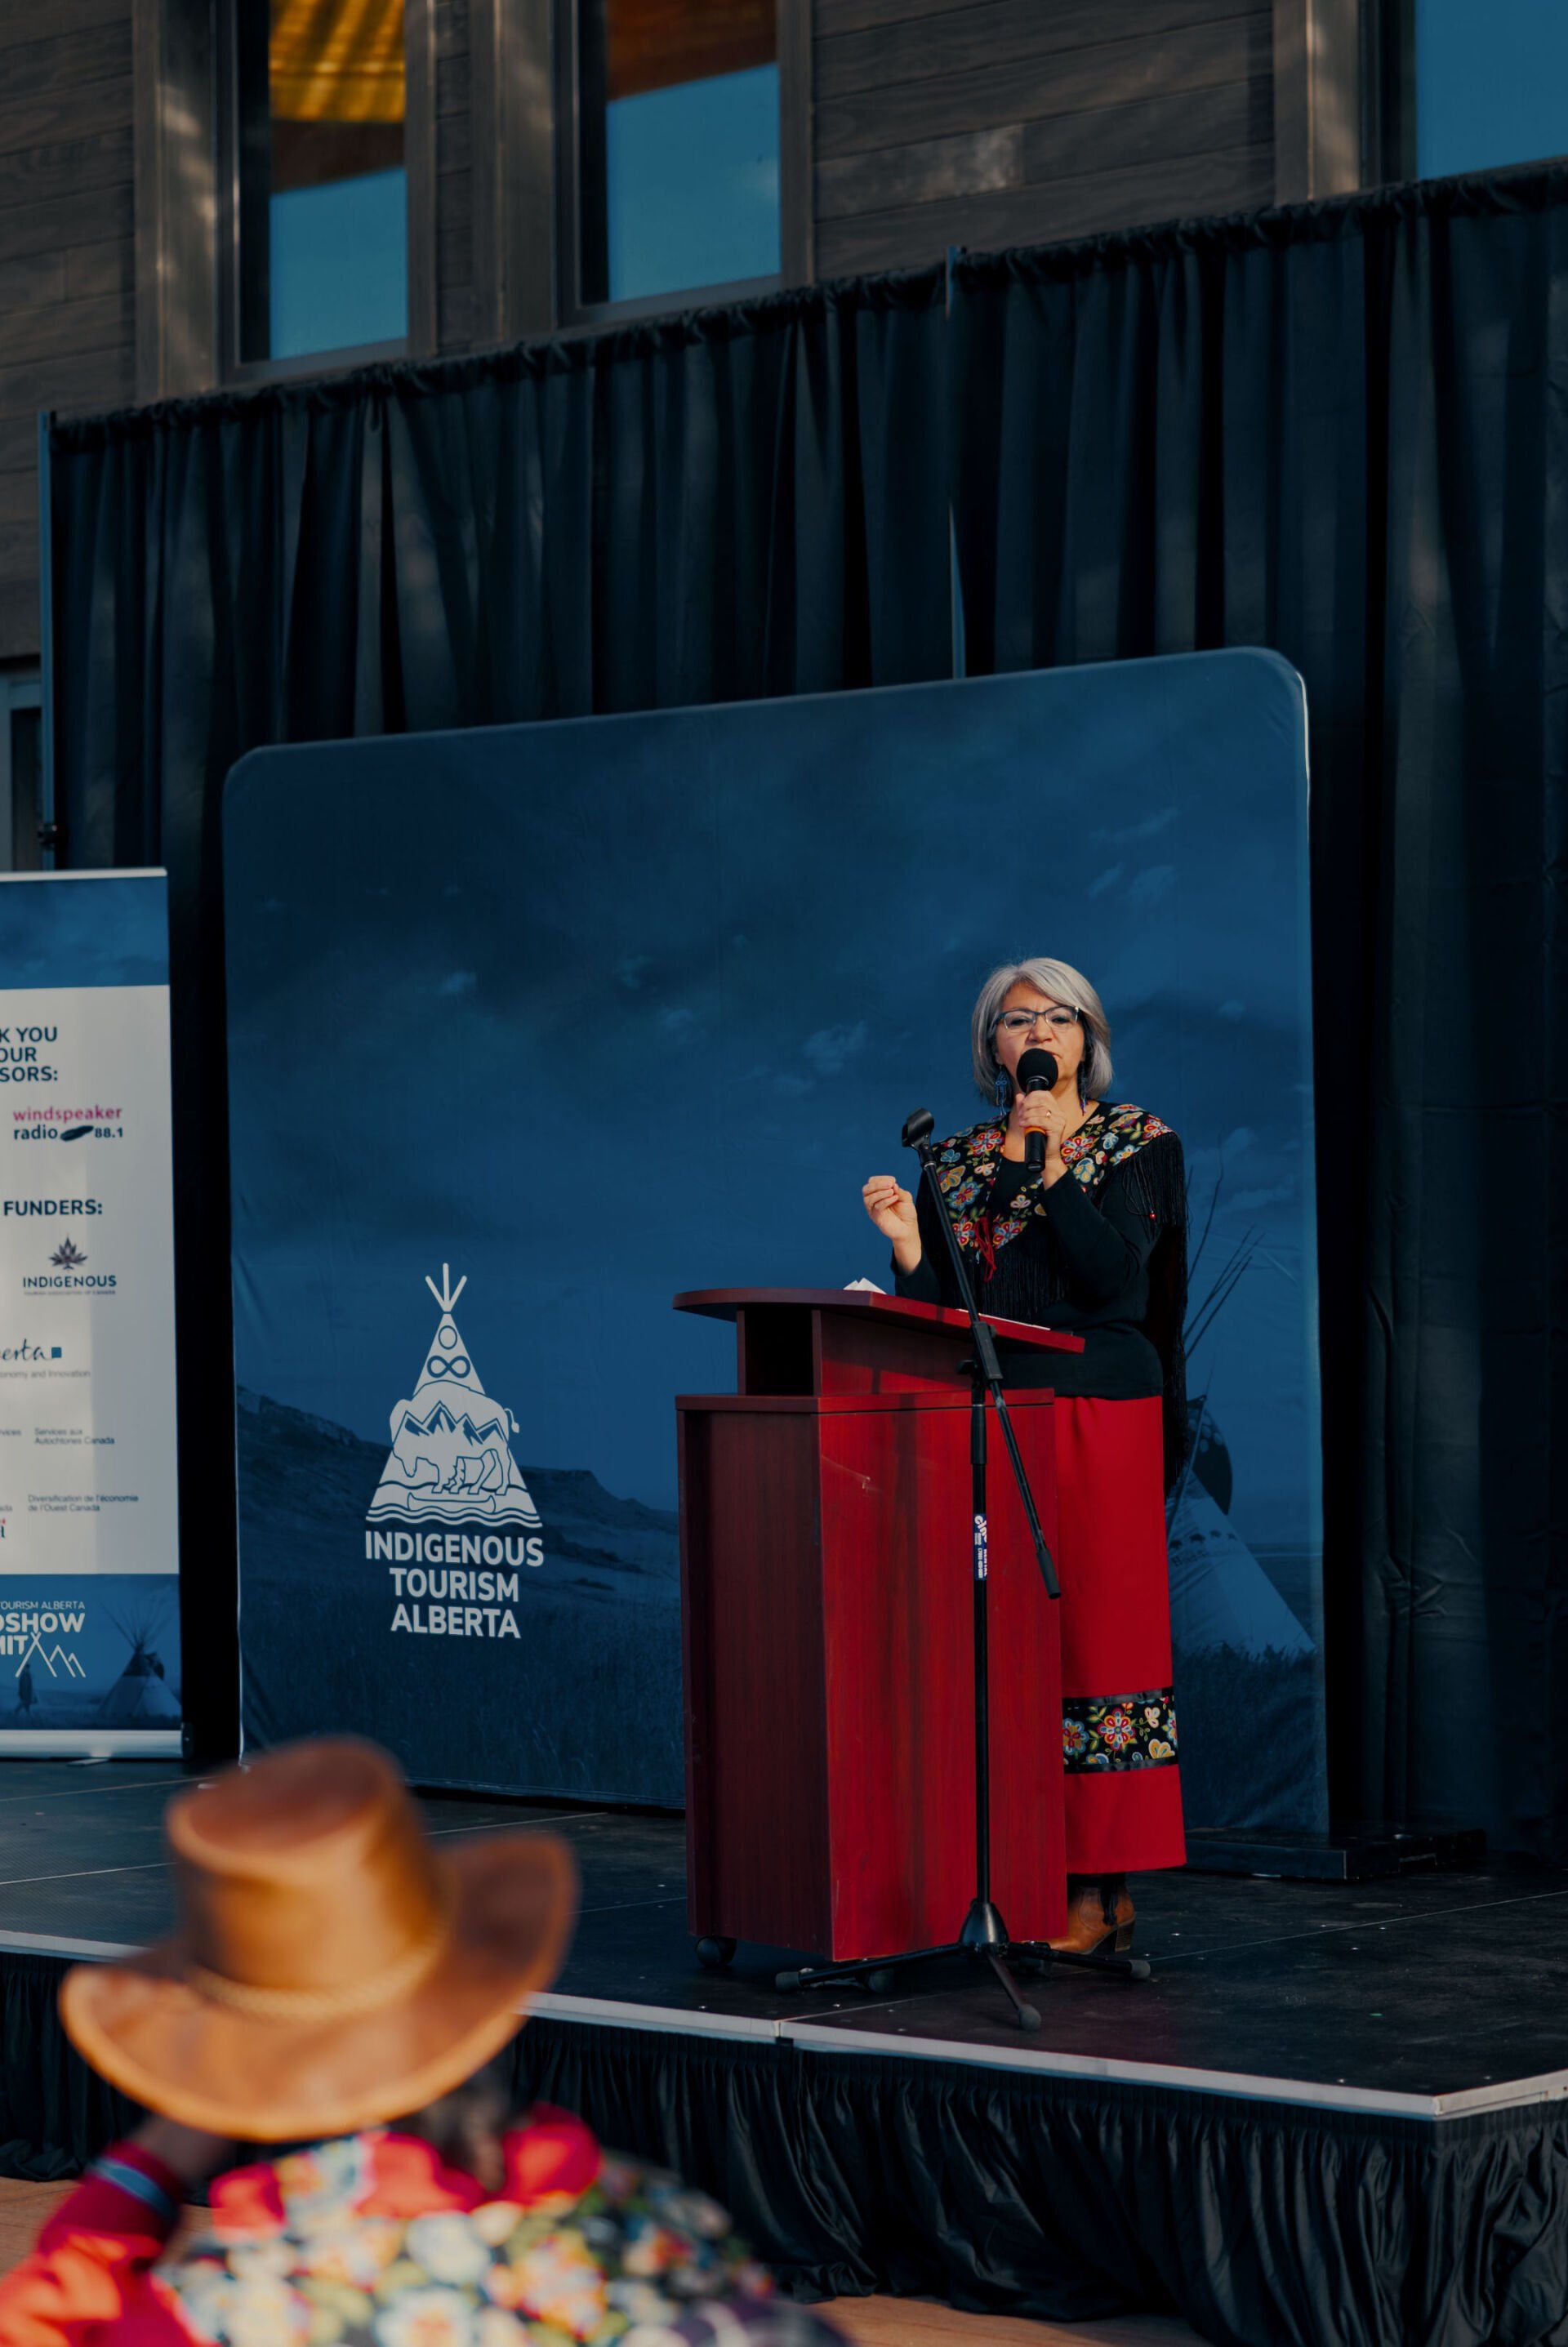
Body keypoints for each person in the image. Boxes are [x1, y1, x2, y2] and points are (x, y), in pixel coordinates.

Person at [0, 1736, 844, 2345]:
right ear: (472, 2002)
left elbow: (39, 2321)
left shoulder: (232, 2309)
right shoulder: (663, 2231)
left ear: (238, 2074)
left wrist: (155, 2160)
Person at [862, 958, 1187, 1956]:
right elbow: (942, 1313)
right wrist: (909, 1248)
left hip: (1095, 1409)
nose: (1038, 1032)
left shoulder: (1139, 1142)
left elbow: (1115, 1282)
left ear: (1087, 1039)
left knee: (1095, 1642)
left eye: (1058, 1016)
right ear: (991, 1049)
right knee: (993, 1648)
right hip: (984, 1411)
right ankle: (1005, 1872)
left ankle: (1099, 1886)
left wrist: (1049, 1169)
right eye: (1016, 1020)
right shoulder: (953, 1160)